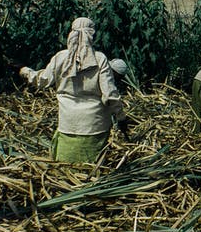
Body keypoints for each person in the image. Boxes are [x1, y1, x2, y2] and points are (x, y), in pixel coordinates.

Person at [19, 17, 129, 163]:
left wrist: (23, 70)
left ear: (72, 34)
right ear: (92, 35)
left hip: (68, 123)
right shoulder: (100, 59)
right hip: (95, 125)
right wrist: (121, 117)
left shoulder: (61, 57)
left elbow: (41, 80)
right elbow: (109, 95)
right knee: (91, 167)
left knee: (65, 166)